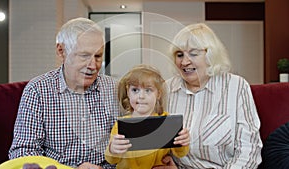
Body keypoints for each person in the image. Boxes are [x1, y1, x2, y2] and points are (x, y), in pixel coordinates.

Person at [8, 17, 120, 169]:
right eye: (84, 56)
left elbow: (130, 146)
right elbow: (23, 152)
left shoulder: (115, 89)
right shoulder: (38, 90)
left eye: (98, 56)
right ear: (61, 51)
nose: (93, 65)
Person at [161, 23, 263, 168]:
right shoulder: (165, 89)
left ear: (211, 55)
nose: (184, 61)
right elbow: (155, 144)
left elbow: (249, 150)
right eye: (179, 55)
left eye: (193, 53)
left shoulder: (236, 86)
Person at [104, 64, 190, 169]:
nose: (141, 96)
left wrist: (183, 142)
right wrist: (113, 149)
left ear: (158, 94)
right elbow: (111, 159)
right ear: (128, 93)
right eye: (135, 90)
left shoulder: (166, 121)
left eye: (148, 90)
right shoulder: (121, 125)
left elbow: (180, 153)